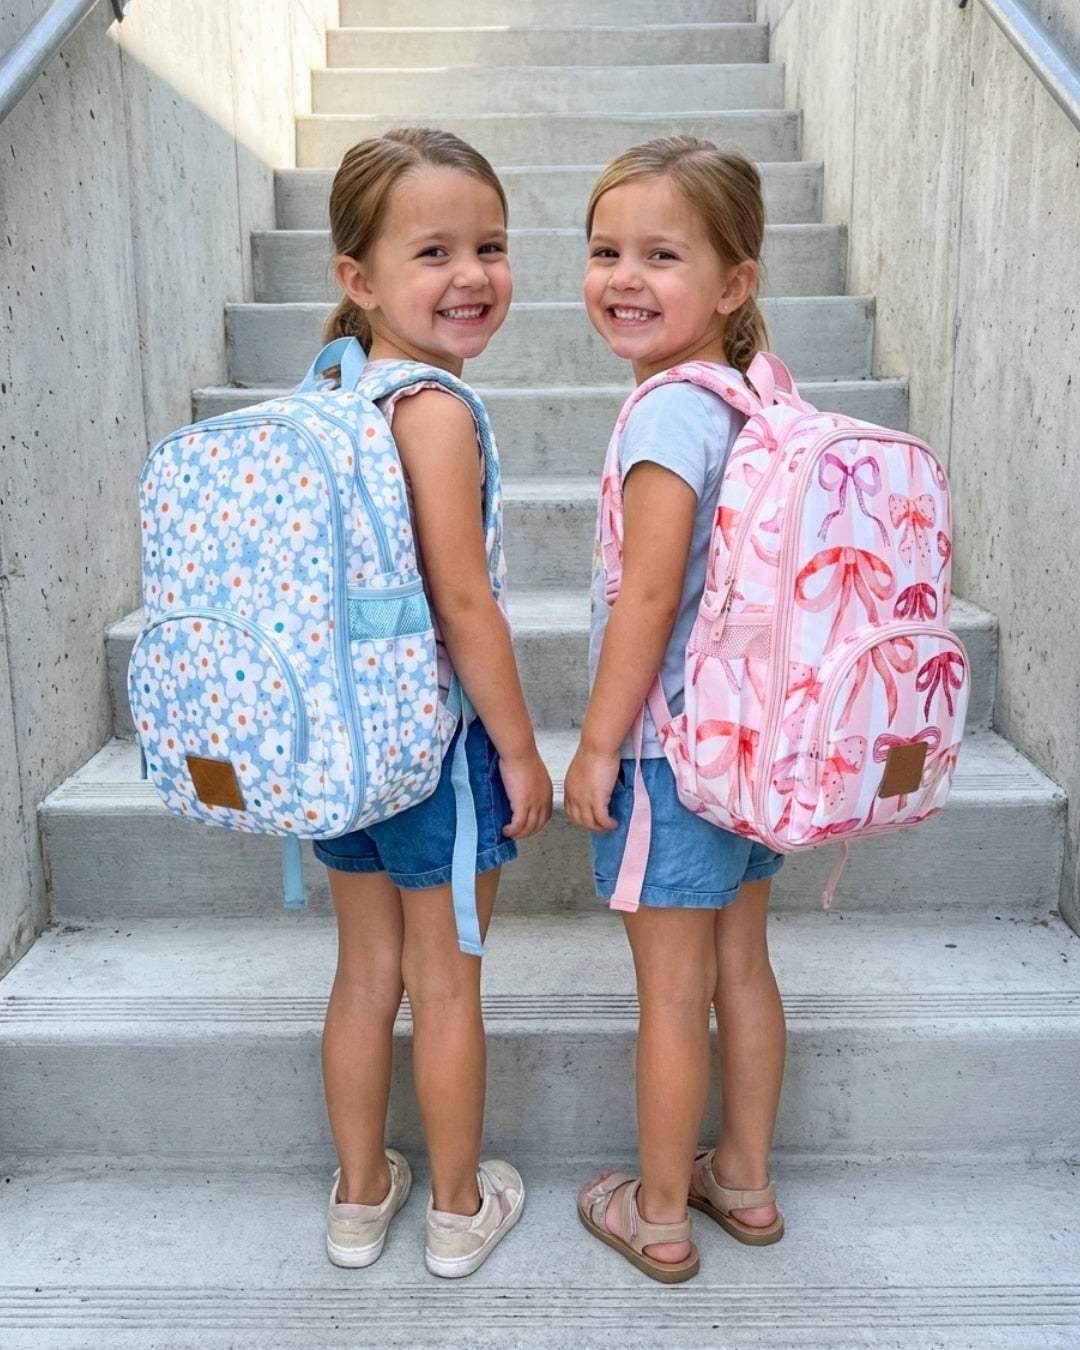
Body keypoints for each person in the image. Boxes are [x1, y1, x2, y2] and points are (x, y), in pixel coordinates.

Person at [313, 127, 552, 1280]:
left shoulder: (333, 397)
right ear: (358, 278)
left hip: (337, 747)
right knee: (446, 979)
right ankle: (459, 1209)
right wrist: (518, 749)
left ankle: (362, 1201)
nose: (471, 275)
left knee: (366, 975)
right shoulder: (437, 411)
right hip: (436, 753)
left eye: (491, 245)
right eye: (434, 252)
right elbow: (465, 604)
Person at [565, 136, 787, 1283]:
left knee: (673, 992)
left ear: (733, 283)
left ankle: (655, 1213)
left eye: (662, 253)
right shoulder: (757, 400)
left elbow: (649, 591)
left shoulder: (664, 415)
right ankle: (740, 1180)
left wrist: (600, 743)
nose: (625, 277)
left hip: (668, 758)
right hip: (751, 747)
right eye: (607, 251)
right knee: (741, 968)